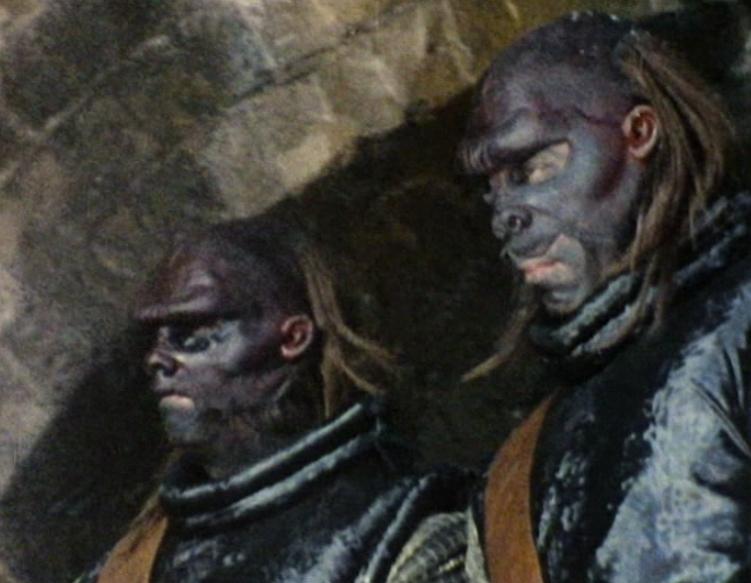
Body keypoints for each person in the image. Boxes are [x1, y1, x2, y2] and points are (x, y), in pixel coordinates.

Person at [458, 9, 751, 583]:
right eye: (491, 191)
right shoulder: (522, 462)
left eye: (534, 167)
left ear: (639, 133)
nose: (505, 215)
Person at [76, 215, 474, 582]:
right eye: (156, 337)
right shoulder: (134, 560)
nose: (157, 359)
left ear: (293, 338)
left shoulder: (401, 525)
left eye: (192, 332)